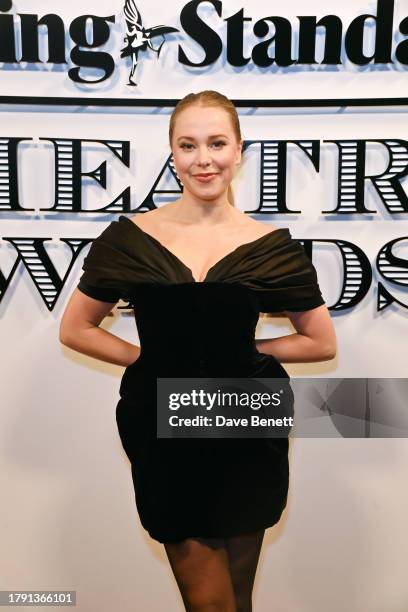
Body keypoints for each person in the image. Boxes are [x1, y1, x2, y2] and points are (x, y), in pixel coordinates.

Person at [59, 90, 336, 612]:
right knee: (209, 603)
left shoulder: (272, 246)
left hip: (247, 426)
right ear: (172, 153)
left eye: (216, 144)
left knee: (238, 596)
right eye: (188, 145)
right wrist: (152, 359)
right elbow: (76, 329)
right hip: (165, 427)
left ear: (239, 151)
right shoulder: (129, 239)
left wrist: (243, 348)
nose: (203, 159)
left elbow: (320, 341)